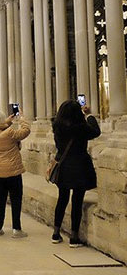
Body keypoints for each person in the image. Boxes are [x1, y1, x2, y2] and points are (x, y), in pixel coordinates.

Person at [51, 100, 101, 248]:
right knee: (77, 201)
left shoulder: (57, 126)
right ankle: (74, 236)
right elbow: (96, 132)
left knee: (62, 198)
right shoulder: (80, 128)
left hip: (64, 165)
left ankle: (56, 233)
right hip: (79, 166)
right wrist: (89, 114)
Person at [0, 109, 30, 238]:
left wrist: (5, 122)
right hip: (13, 171)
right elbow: (25, 131)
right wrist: (22, 118)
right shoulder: (10, 132)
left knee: (0, 200)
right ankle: (16, 229)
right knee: (16, 200)